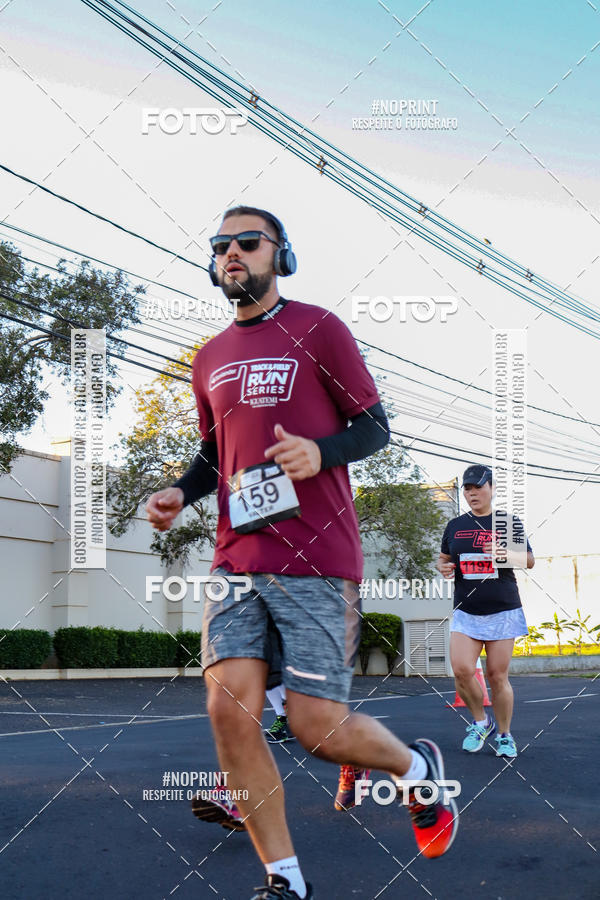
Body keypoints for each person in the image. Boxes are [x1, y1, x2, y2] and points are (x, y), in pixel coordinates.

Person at [146, 206, 459, 899]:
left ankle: (415, 770)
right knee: (228, 710)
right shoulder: (208, 357)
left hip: (315, 558)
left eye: (247, 241)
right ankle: (284, 880)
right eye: (220, 244)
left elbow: (373, 427)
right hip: (235, 558)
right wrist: (180, 491)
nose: (232, 252)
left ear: (280, 255)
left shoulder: (319, 328)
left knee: (316, 729)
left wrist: (320, 452)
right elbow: (213, 453)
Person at [437, 464, 535, 758]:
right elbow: (443, 558)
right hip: (466, 610)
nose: (472, 493)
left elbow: (529, 560)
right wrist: (443, 567)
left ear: (492, 488)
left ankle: (504, 735)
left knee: (496, 675)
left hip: (503, 610)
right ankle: (482, 722)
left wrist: (504, 553)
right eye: (467, 489)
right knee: (462, 670)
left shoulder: (507, 522)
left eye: (478, 487)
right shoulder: (455, 525)